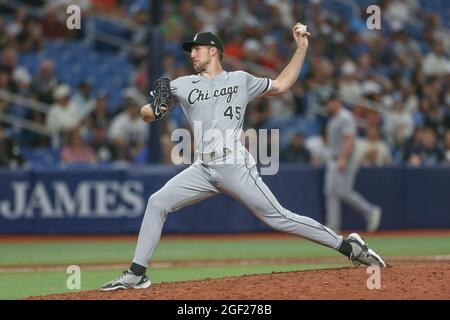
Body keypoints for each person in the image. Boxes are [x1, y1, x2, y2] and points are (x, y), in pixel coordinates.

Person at [102, 25, 386, 291]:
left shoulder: (240, 79)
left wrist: (300, 49)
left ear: (213, 51)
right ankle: (138, 274)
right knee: (157, 202)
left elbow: (282, 85)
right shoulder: (182, 84)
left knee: (279, 218)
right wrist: (156, 106)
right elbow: (146, 113)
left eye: (197, 49)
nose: (192, 54)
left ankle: (349, 247)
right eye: (190, 51)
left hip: (234, 163)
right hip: (203, 167)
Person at [323, 94, 382, 234]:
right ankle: (333, 226)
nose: (327, 106)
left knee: (343, 192)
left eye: (329, 103)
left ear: (336, 102)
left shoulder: (345, 117)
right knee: (330, 193)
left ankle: (370, 210)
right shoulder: (334, 119)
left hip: (344, 159)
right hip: (334, 158)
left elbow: (349, 139)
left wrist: (342, 158)